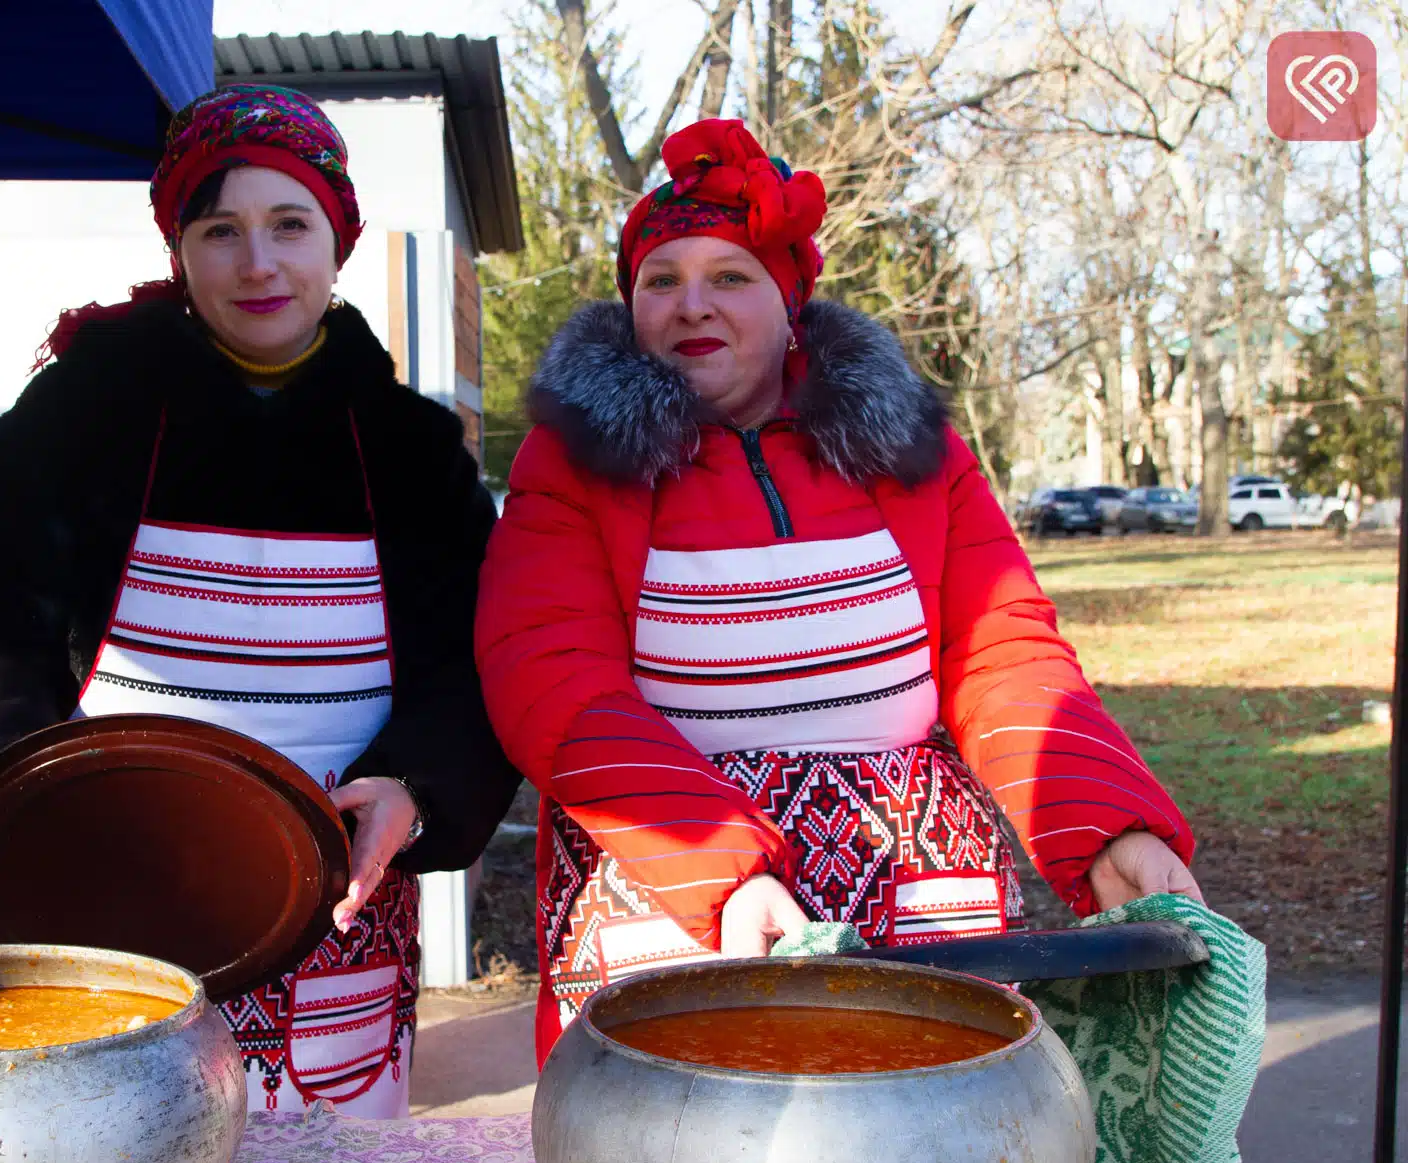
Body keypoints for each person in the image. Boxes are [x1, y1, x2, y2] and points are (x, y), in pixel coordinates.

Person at [473, 120, 1203, 1066]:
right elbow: (550, 678)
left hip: (919, 894)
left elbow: (1005, 655)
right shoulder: (572, 463)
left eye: (730, 276)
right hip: (676, 890)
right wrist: (719, 871)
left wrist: (1107, 829)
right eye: (661, 280)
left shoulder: (913, 452)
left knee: (927, 1138)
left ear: (790, 302)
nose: (692, 304)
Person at [0, 85, 519, 1116]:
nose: (258, 263)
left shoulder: (410, 448)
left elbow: (468, 660)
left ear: (340, 241)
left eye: (290, 225)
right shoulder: (79, 414)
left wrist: (416, 789)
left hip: (338, 913)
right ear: (179, 249)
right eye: (220, 230)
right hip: (104, 889)